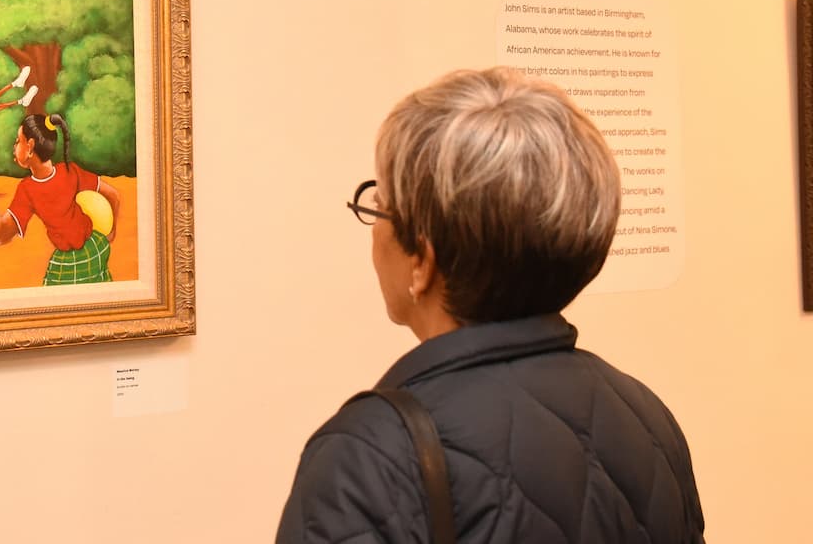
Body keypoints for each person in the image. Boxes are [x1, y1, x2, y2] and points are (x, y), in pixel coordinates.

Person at [276, 67, 704, 543]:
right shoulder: (643, 414)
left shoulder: (368, 457)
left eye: (380, 207)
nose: (374, 230)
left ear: (423, 259)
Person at [0, 114, 121, 285]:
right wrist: (110, 234)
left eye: (18, 140)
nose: (14, 146)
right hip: (97, 247)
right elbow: (113, 195)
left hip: (69, 262)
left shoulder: (29, 189)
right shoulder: (70, 171)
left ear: (30, 146)